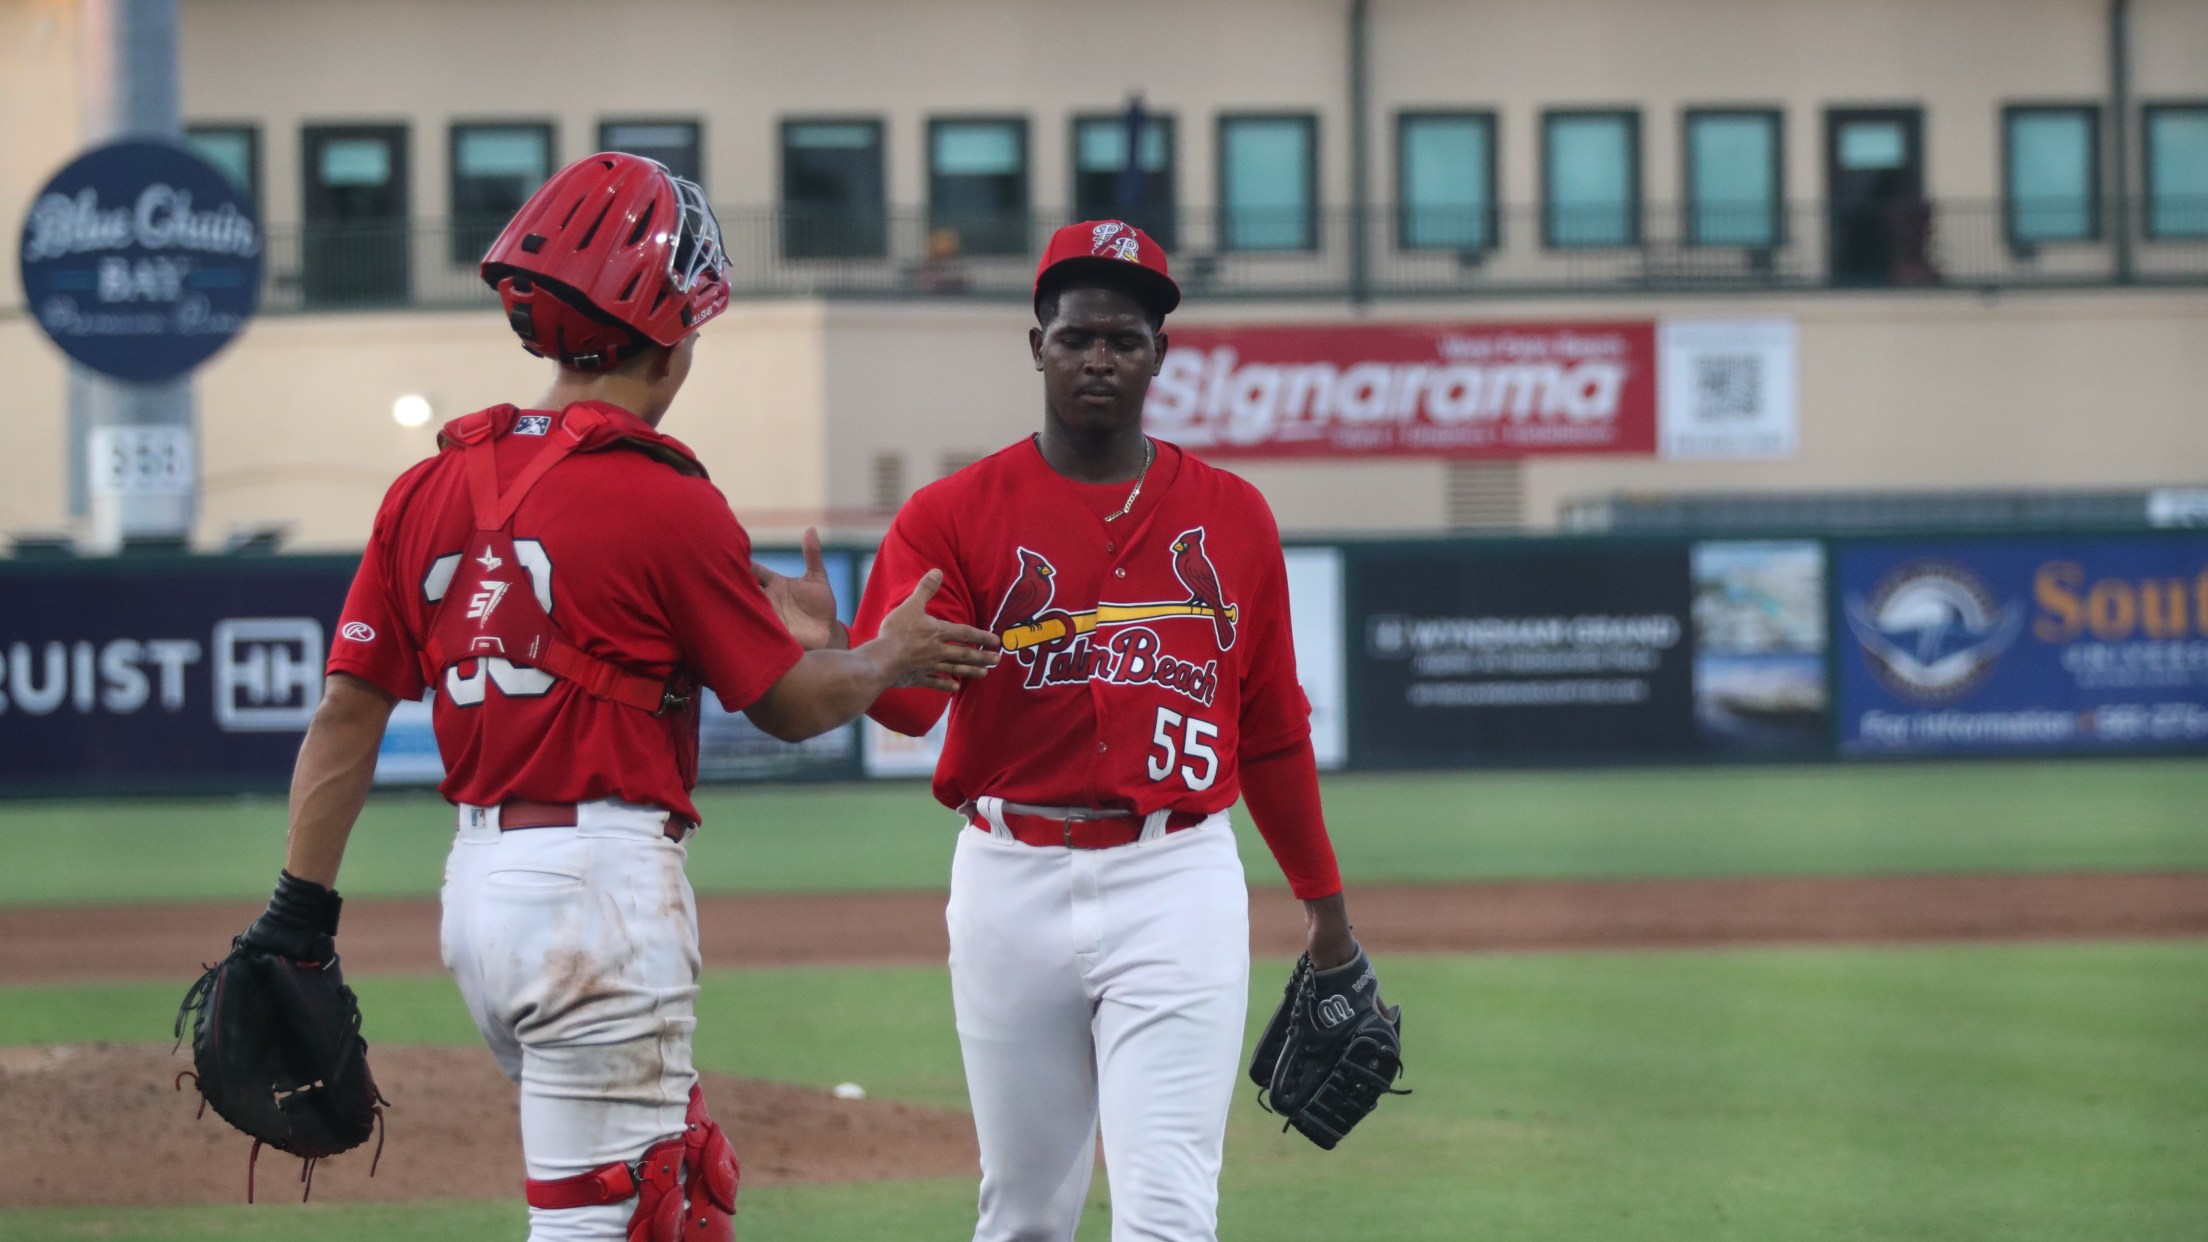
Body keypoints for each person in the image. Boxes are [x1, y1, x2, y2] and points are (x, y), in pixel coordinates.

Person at [213, 152, 999, 1242]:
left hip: (481, 897)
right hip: (601, 905)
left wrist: (300, 913)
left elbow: (348, 712)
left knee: (682, 1192)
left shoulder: (431, 484)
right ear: (669, 331)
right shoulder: (662, 494)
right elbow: (784, 706)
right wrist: (885, 655)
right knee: (606, 1226)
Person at [846, 220, 1369, 1241]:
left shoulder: (1235, 517)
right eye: (1076, 335)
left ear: (1159, 354)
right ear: (1034, 344)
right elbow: (908, 710)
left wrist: (1328, 914)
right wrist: (847, 655)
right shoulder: (950, 515)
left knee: (1169, 1209)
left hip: (1174, 877)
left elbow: (1269, 734)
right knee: (1026, 1213)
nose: (1097, 357)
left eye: (1123, 339)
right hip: (1008, 875)